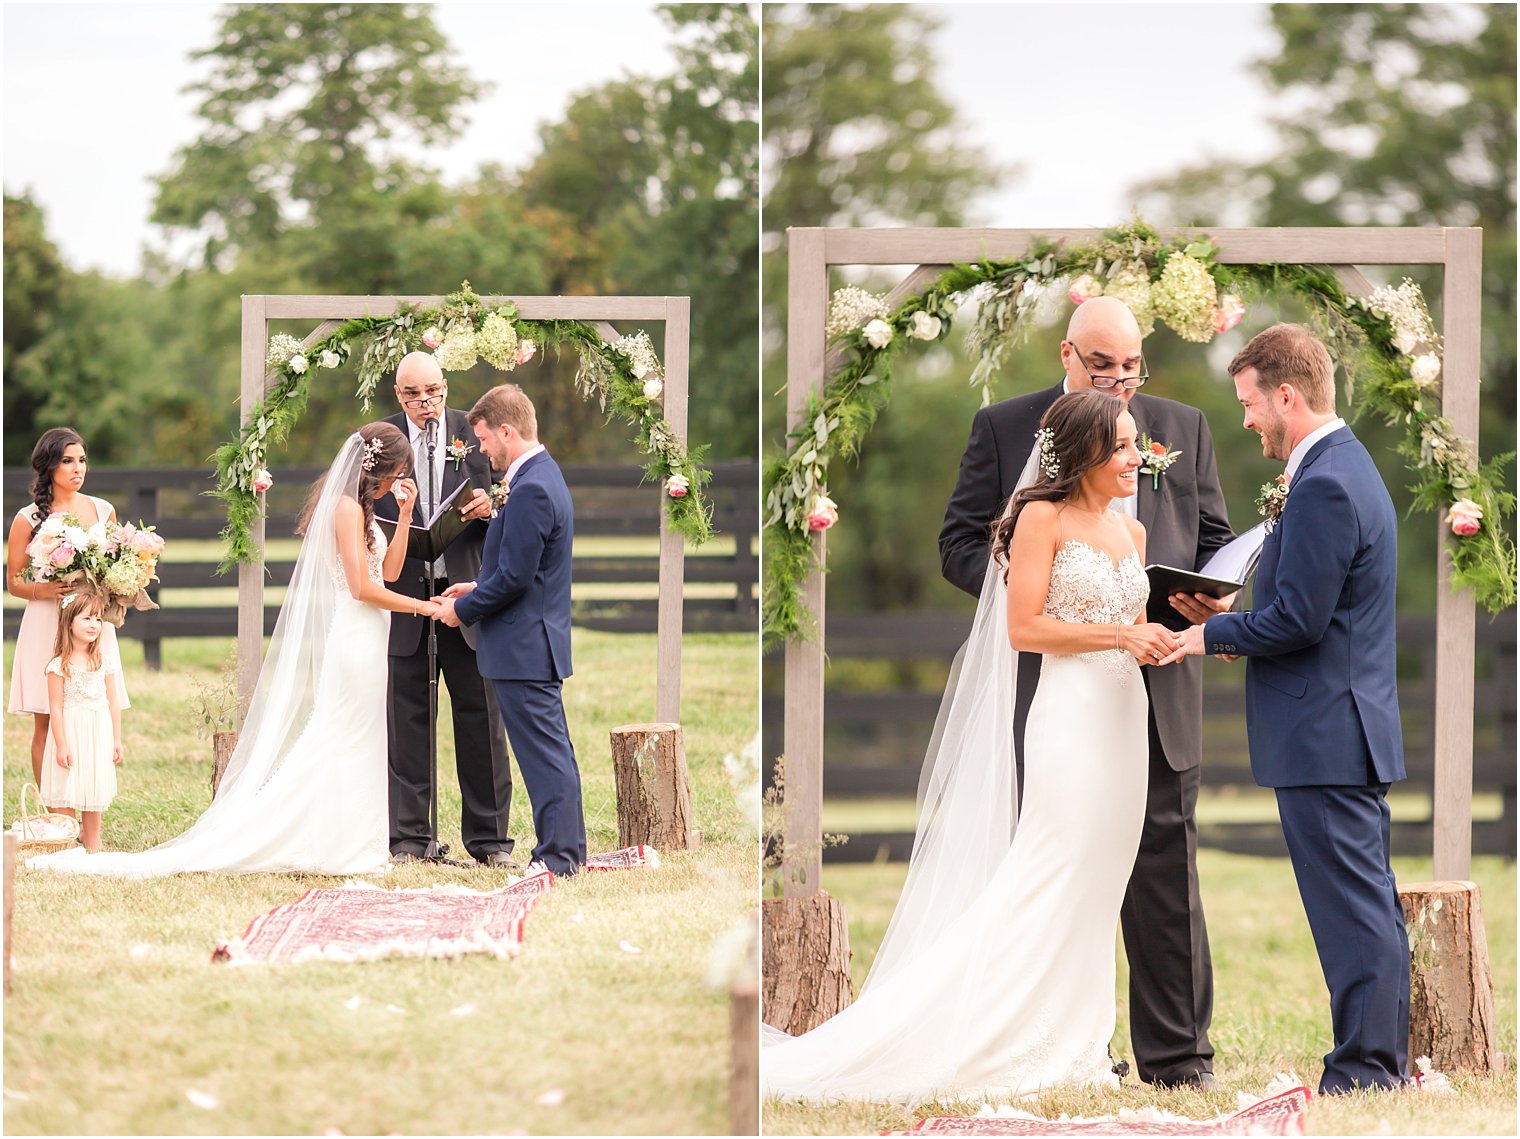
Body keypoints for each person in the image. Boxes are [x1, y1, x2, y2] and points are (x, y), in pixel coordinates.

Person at [764, 390, 1184, 1103]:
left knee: (1099, 880)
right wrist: (1119, 636)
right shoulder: (1040, 520)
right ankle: (983, 1033)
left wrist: (1173, 636)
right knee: (1048, 869)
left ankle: (1078, 1041)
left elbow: (1132, 625)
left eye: (1135, 444)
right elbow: (1026, 629)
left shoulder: (1131, 534)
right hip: (1071, 718)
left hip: (1123, 719)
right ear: (1082, 453)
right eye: (1119, 446)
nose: (1135, 458)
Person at [938, 296, 1234, 1087]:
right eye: (1104, 366)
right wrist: (1036, 585)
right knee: (1056, 865)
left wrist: (1210, 601)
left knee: (1164, 872)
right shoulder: (1005, 428)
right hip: (1056, 689)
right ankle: (1047, 1040)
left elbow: (1213, 540)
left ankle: (1178, 1057)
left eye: (1132, 367)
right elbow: (961, 542)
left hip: (1153, 689)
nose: (1121, 380)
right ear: (1068, 355)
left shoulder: (1185, 426)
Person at [1165, 324, 1409, 1094]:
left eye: (1248, 403)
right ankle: (1372, 1060)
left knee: (1353, 910)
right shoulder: (1343, 467)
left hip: (1328, 730)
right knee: (1359, 902)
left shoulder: (1327, 482)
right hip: (1339, 725)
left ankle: (1368, 1069)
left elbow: (1301, 620)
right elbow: (1313, 606)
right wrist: (1239, 616)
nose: (1244, 420)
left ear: (1287, 395)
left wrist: (1209, 633)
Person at [28, 423, 438, 878]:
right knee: (342, 734)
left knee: (364, 735)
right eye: (398, 471)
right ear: (379, 468)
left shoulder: (365, 509)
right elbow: (361, 587)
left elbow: (391, 570)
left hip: (373, 634)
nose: (400, 478)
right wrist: (423, 607)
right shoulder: (343, 510)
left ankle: (354, 838)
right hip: (356, 635)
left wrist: (403, 516)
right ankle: (328, 837)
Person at [434, 384, 587, 877]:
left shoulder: (533, 487)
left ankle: (559, 858)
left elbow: (519, 580)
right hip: (529, 642)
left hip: (525, 645)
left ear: (507, 430)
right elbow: (523, 568)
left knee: (544, 758)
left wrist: (465, 610)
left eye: (483, 439)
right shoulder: (538, 477)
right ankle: (565, 851)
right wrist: (475, 585)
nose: (480, 449)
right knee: (550, 753)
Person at [380, 352, 515, 867]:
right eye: (413, 394)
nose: (424, 403)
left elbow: (510, 491)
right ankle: (410, 839)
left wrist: (492, 507)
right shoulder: (383, 439)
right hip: (406, 596)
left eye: (432, 391)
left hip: (466, 596)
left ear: (445, 386)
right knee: (408, 720)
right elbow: (363, 506)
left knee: (481, 718)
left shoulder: (473, 431)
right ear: (399, 395)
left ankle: (490, 841)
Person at [7, 427, 131, 787]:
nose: (78, 468)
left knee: (93, 712)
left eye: (82, 460)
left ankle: (87, 798)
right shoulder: (27, 519)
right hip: (46, 621)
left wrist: (122, 581)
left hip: (91, 622)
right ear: (49, 467)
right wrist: (44, 589)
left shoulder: (103, 510)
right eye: (67, 461)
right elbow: (13, 581)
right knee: (47, 717)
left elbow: (115, 563)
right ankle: (52, 813)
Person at [40, 588, 124, 853]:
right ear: (69, 622)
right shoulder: (58, 666)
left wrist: (117, 740)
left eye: (98, 619)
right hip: (71, 733)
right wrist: (62, 744)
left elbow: (113, 702)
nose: (94, 625)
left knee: (93, 786)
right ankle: (66, 842)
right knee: (67, 784)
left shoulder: (103, 662)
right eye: (87, 618)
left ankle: (93, 842)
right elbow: (55, 705)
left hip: (98, 733)